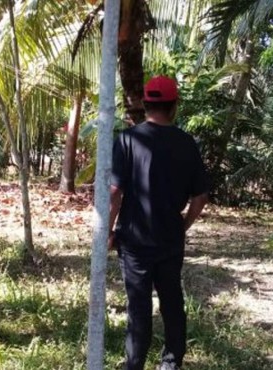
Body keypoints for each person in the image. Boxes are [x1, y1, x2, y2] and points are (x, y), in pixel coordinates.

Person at [109, 76, 211, 370]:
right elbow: (201, 196)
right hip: (169, 238)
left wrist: (107, 231)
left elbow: (115, 192)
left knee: (138, 306)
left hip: (134, 240)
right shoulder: (187, 143)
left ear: (145, 103)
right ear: (174, 106)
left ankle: (135, 363)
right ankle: (171, 362)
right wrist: (184, 225)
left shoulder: (128, 140)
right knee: (172, 301)